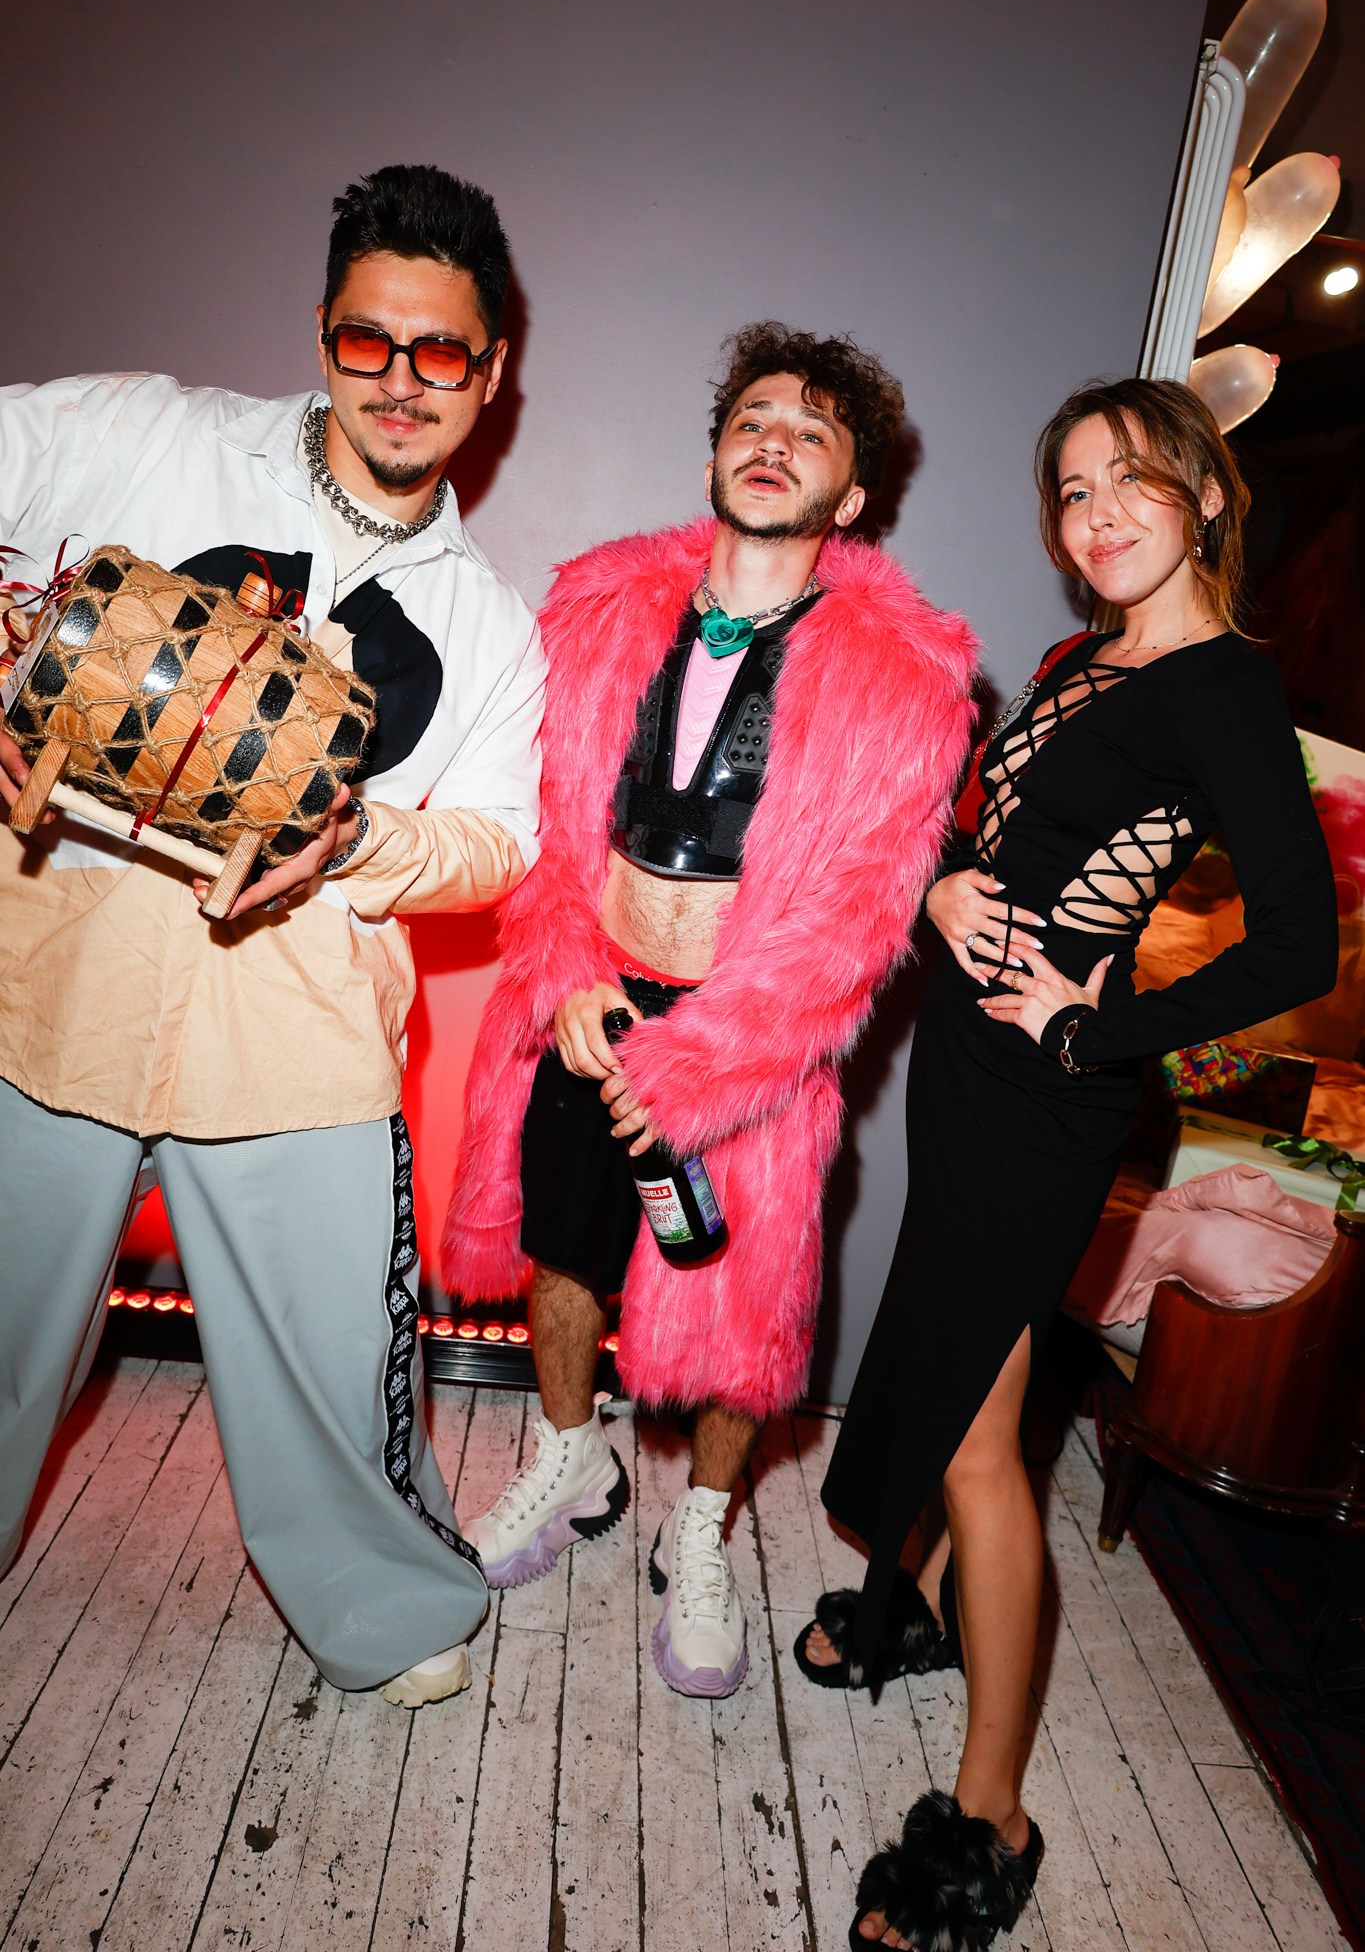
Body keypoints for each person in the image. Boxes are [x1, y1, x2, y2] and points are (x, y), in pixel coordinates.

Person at [799, 377, 1339, 1950]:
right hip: (966, 1065)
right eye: (1071, 490)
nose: (1094, 517)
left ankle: (992, 1818)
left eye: (1132, 481)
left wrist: (1097, 1032)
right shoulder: (1078, 659)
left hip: (1046, 1095)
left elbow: (1295, 944)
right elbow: (1002, 831)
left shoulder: (1225, 689)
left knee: (982, 1433)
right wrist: (944, 887)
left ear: (1207, 497)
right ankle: (907, 1613)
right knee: (944, 1344)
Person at [0, 164, 547, 1709]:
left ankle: (381, 1602)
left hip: (299, 1032)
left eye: (439, 351)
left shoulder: (490, 623)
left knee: (335, 1374)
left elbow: (497, 845)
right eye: (367, 340)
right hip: (52, 990)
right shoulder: (146, 434)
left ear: (490, 369)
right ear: (322, 333)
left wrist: (359, 841)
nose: (400, 381)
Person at [443, 322, 977, 1697]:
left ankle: (702, 1529)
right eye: (752, 419)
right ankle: (571, 1458)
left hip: (751, 1041)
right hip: (587, 999)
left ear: (851, 495)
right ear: (712, 457)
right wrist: (564, 968)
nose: (773, 442)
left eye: (811, 430)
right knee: (563, 1245)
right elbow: (536, 821)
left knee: (742, 1309)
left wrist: (705, 1061)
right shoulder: (595, 612)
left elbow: (858, 919)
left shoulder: (907, 680)